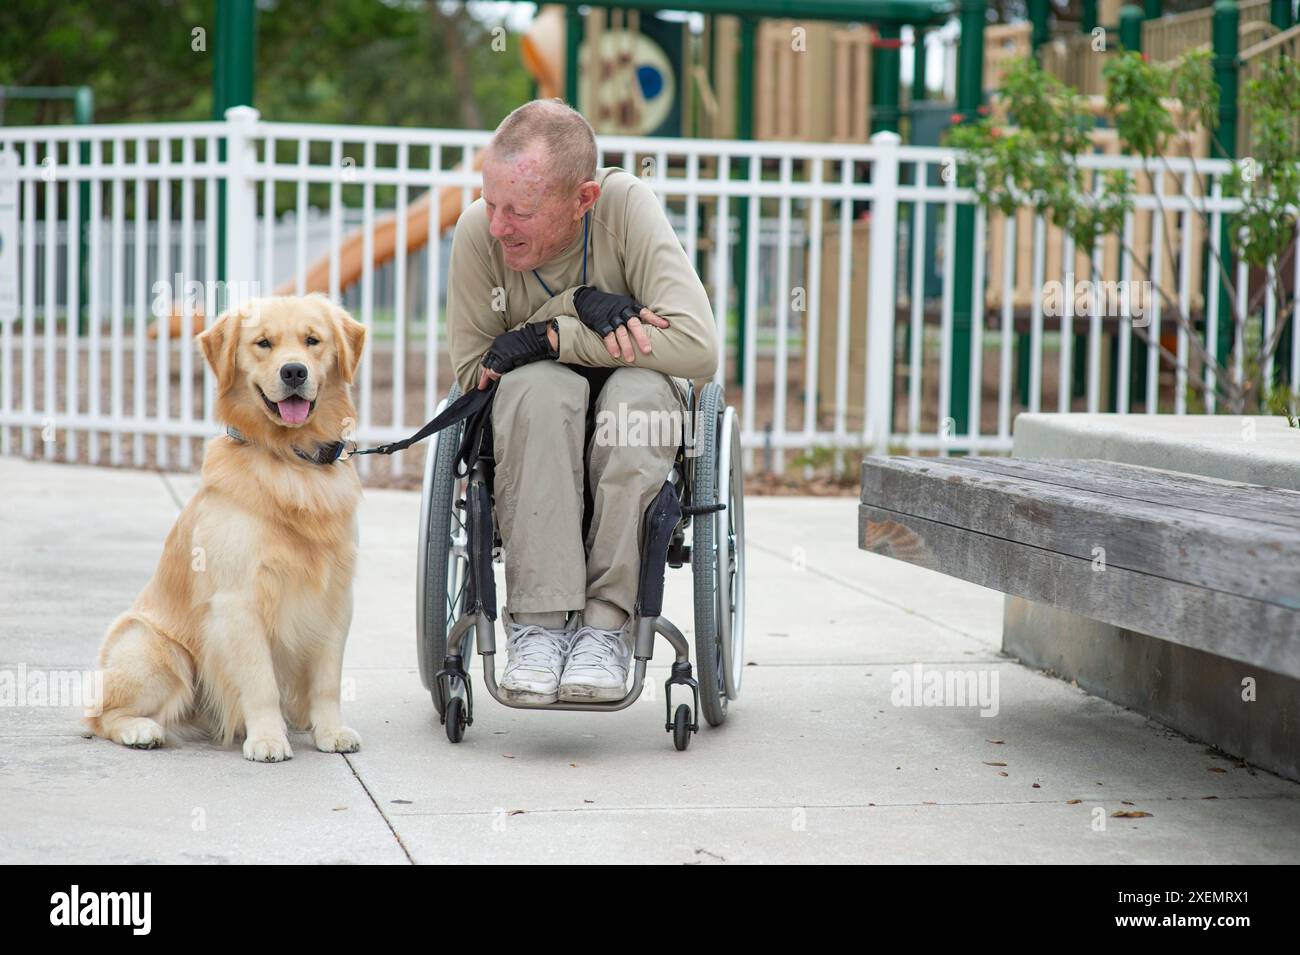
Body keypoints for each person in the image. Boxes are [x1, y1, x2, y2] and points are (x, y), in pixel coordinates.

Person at [445, 98, 717, 704]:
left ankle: (606, 623)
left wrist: (550, 333)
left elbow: (698, 348)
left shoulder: (627, 209)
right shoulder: (477, 238)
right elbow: (474, 373)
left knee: (636, 399)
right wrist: (573, 305)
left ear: (583, 200)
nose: (498, 227)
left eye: (520, 211)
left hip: (634, 396)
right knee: (538, 387)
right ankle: (539, 626)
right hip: (534, 415)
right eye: (491, 203)